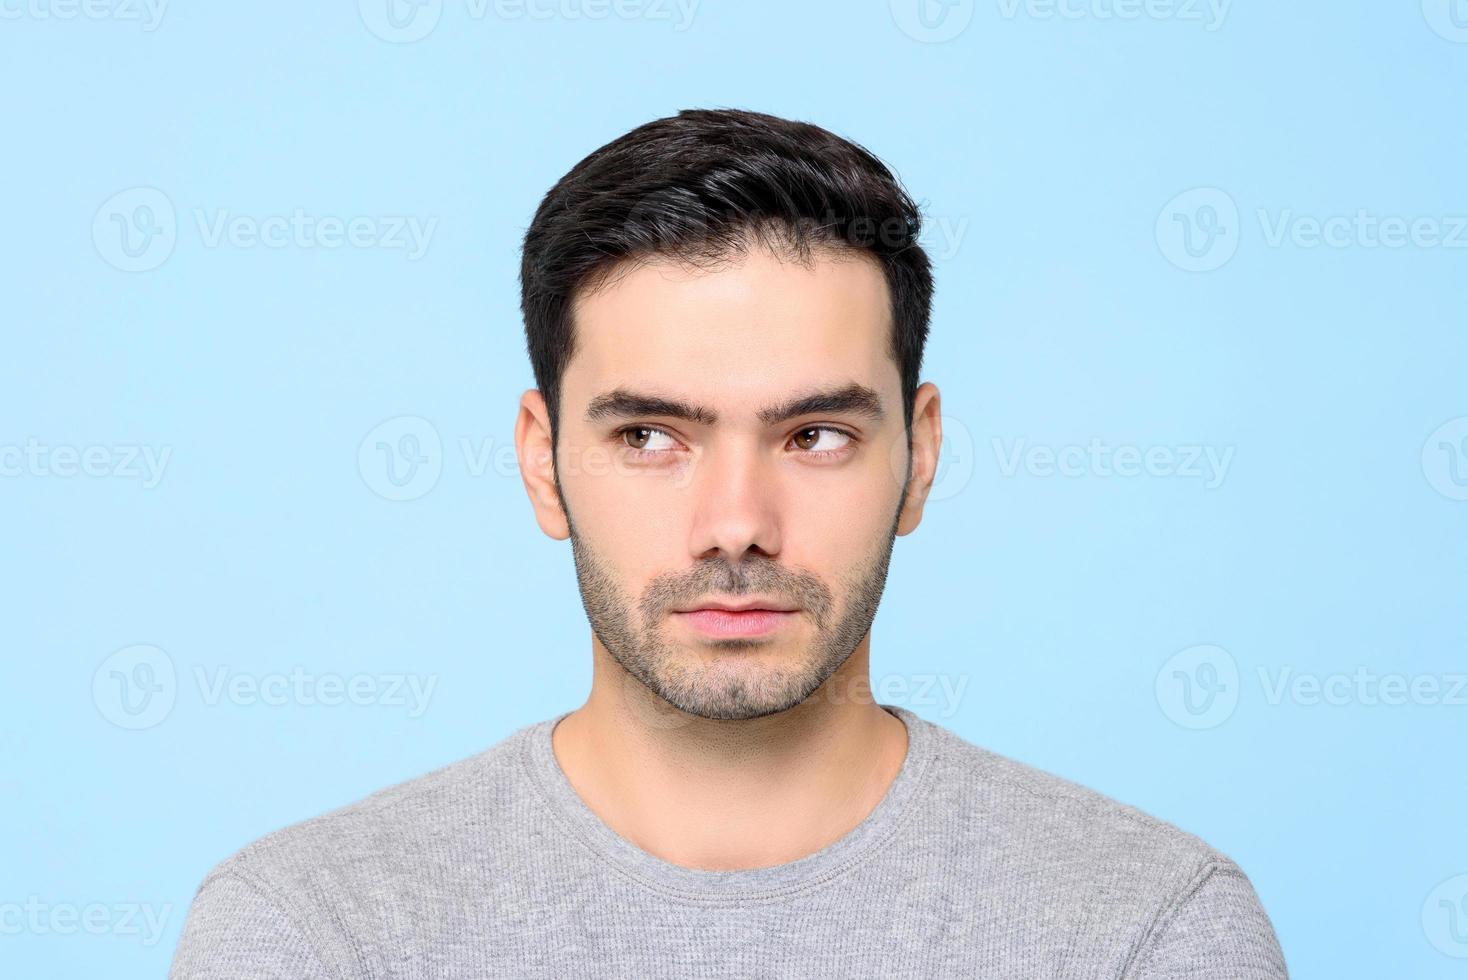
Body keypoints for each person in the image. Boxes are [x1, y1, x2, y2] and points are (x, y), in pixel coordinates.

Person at [169, 107, 1288, 978]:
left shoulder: (1141, 930)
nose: (737, 523)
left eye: (814, 434)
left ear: (921, 452)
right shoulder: (314, 934)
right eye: (650, 435)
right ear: (540, 457)